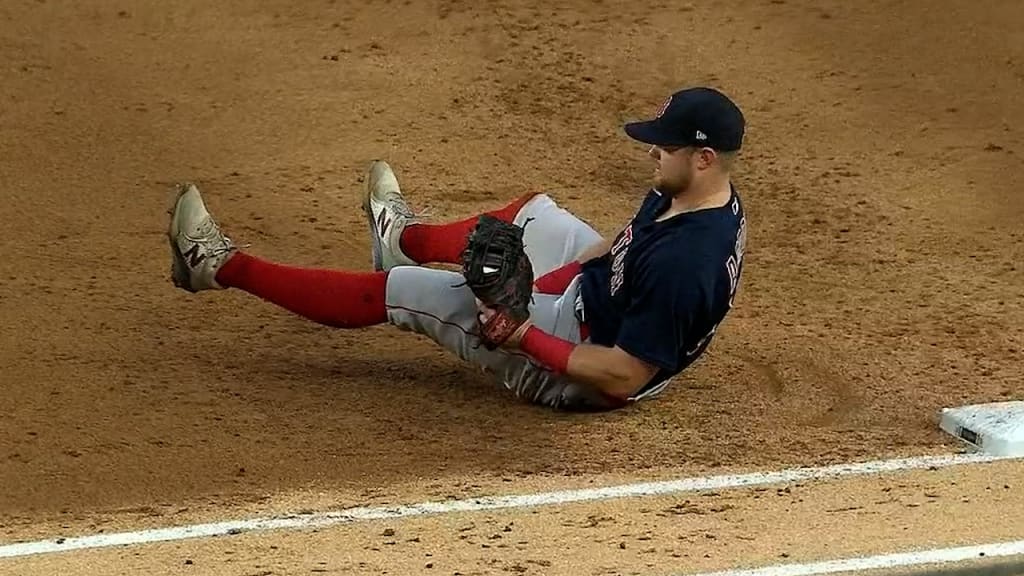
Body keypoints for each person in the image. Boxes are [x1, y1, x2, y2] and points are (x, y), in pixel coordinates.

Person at [167, 86, 748, 412]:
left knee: (403, 293)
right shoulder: (694, 195)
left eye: (663, 147)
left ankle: (213, 265)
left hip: (587, 367)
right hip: (597, 309)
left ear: (701, 158)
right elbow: (612, 253)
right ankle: (401, 240)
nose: (652, 154)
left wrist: (520, 330)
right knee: (529, 216)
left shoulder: (685, 263)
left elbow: (621, 374)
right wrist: (539, 284)